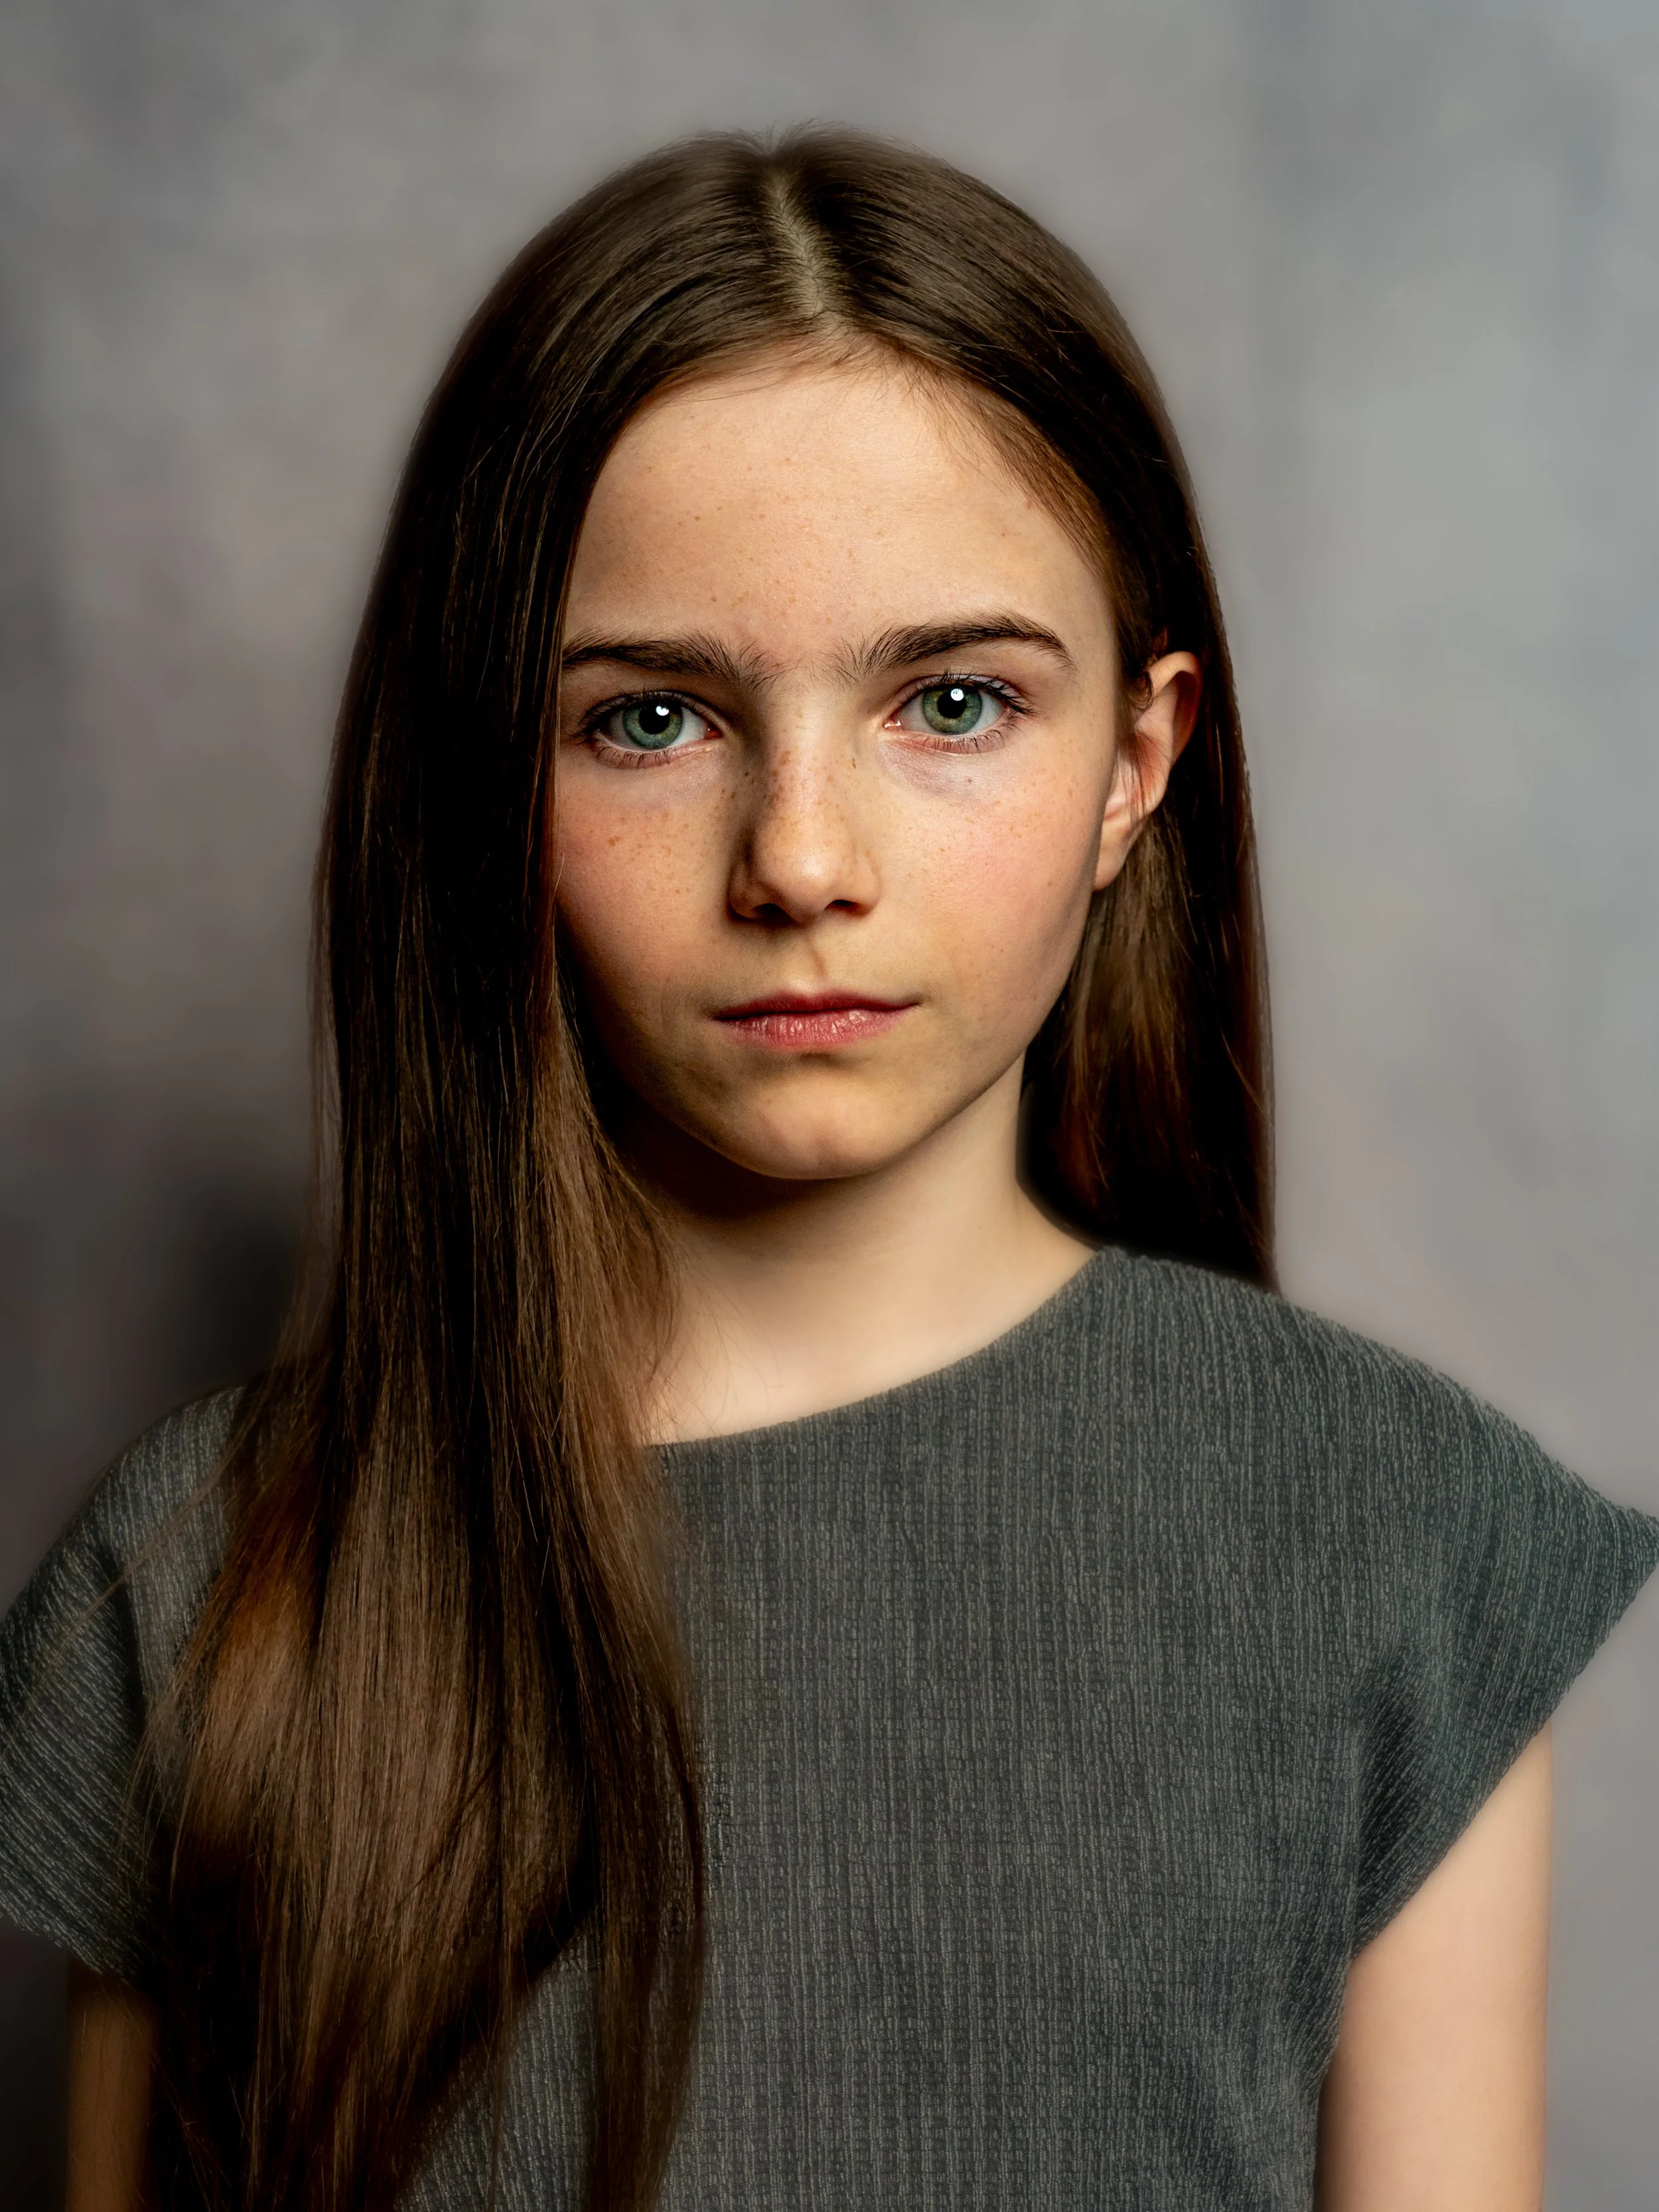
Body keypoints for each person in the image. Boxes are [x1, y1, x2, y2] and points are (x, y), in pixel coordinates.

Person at [1, 126, 1654, 2212]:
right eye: (650, 721)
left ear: (1136, 765)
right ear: (480, 765)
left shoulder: (1392, 1548)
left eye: (950, 701)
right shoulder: (200, 1583)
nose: (801, 861)